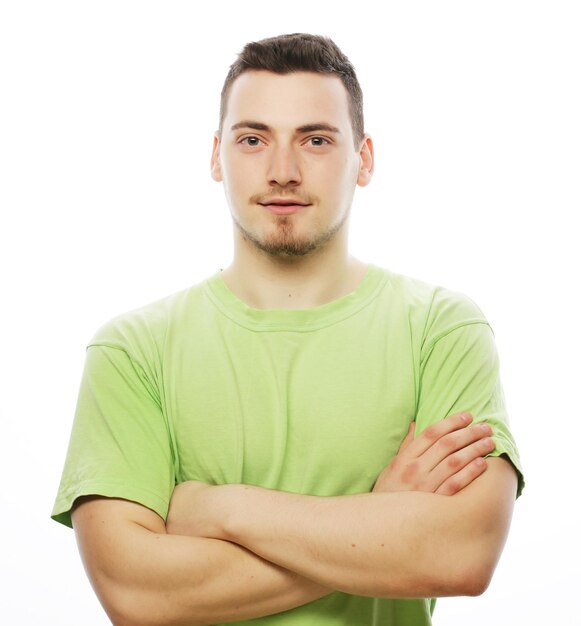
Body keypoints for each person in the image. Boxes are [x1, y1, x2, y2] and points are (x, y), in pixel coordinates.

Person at [52, 33, 524, 626]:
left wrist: (222, 509)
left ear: (365, 159)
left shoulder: (441, 330)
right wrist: (376, 520)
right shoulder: (132, 350)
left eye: (316, 140)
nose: (282, 172)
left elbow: (462, 553)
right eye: (252, 140)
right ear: (217, 157)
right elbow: (136, 595)